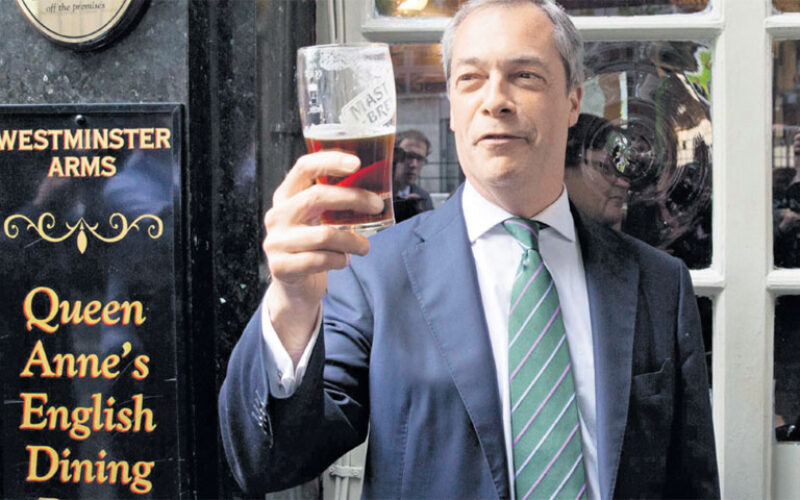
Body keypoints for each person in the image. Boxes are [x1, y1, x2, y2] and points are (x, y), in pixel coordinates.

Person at [219, 1, 719, 498]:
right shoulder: (372, 272)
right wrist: (290, 304)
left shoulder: (659, 284)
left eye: (524, 76)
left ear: (573, 101)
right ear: (453, 107)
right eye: (470, 79)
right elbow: (269, 462)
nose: (495, 100)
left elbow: (691, 485)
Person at [563, 114, 630, 230]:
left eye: (622, 171)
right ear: (564, 172)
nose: (624, 184)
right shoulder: (532, 236)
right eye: (606, 169)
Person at [392, 129, 435, 221]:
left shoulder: (424, 198)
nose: (414, 164)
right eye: (409, 156)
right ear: (394, 156)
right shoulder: (378, 193)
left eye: (420, 159)